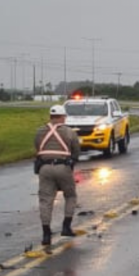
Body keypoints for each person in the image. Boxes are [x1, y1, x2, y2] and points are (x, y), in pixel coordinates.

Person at [34, 105, 81, 246]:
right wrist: (72, 160)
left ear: (50, 116)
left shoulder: (40, 131)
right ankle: (66, 227)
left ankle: (46, 234)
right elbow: (76, 150)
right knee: (70, 195)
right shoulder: (69, 132)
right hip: (63, 167)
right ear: (62, 117)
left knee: (46, 200)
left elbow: (37, 147)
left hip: (45, 168)